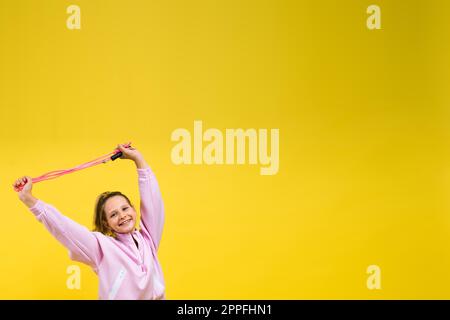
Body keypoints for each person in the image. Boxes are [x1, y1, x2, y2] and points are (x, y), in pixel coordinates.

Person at [12, 143, 166, 300]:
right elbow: (65, 228)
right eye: (113, 214)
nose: (122, 216)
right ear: (106, 223)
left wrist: (138, 160)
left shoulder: (148, 240)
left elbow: (153, 202)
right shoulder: (101, 247)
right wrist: (29, 200)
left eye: (125, 209)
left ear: (134, 210)